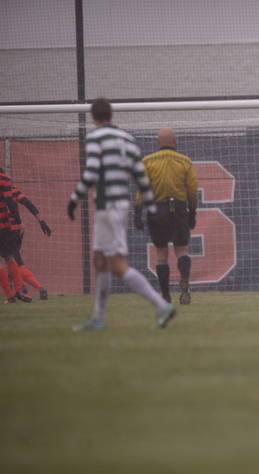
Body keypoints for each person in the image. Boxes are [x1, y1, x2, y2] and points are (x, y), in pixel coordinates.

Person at [67, 97, 176, 330]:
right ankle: (97, 318)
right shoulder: (128, 140)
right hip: (121, 206)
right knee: (100, 260)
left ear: (93, 117)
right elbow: (141, 177)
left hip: (107, 207)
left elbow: (92, 171)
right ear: (111, 115)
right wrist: (151, 207)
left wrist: (75, 198)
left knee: (116, 264)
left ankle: (162, 306)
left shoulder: (96, 137)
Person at [136, 127, 198, 305]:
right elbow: (192, 189)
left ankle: (165, 296)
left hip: (157, 210)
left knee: (161, 253)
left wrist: (137, 212)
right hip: (178, 209)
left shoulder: (148, 161)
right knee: (182, 249)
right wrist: (192, 213)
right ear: (174, 141)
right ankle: (184, 279)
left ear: (158, 142)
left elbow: (143, 189)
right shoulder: (184, 161)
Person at [3, 182, 51, 300]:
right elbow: (28, 203)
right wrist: (41, 221)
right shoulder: (14, 191)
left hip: (7, 231)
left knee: (15, 261)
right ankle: (22, 288)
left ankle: (40, 289)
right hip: (17, 231)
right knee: (13, 260)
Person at [0, 167, 30, 303]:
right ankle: (19, 291)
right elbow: (10, 202)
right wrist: (18, 222)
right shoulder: (4, 179)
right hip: (4, 226)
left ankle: (9, 295)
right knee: (9, 256)